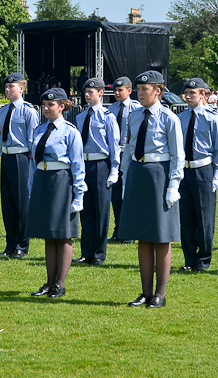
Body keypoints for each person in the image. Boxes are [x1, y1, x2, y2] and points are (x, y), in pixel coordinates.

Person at [119, 70, 184, 308]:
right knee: (142, 236)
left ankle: (160, 293)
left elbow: (178, 154)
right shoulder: (133, 116)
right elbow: (129, 147)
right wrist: (126, 178)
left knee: (161, 235)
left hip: (160, 173)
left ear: (158, 91)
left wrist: (173, 185)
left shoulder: (169, 118)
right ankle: (145, 292)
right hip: (138, 173)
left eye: (145, 89)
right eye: (138, 89)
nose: (140, 93)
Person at [26, 87, 85, 298]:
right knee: (48, 235)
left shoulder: (70, 131)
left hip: (61, 181)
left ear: (62, 106)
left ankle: (60, 283)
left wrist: (79, 195)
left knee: (63, 234)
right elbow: (34, 161)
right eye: (44, 105)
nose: (47, 108)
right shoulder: (40, 130)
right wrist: (32, 187)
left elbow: (78, 164)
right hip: (43, 181)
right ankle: (49, 282)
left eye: (51, 105)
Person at [177, 78, 218, 271]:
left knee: (204, 217)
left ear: (204, 95)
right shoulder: (181, 118)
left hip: (204, 170)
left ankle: (203, 260)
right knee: (186, 217)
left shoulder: (213, 118)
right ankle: (189, 259)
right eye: (186, 93)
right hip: (184, 171)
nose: (188, 97)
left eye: (193, 93)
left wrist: (217, 175)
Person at [72, 78, 120, 265]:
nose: (87, 94)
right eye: (85, 91)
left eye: (91, 91)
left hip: (101, 164)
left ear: (100, 93)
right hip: (85, 164)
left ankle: (99, 253)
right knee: (86, 210)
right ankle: (86, 252)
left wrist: (114, 169)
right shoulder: (80, 116)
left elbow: (114, 145)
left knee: (101, 210)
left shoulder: (108, 116)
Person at [0, 72, 39, 258]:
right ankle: (10, 244)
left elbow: (33, 140)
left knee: (22, 203)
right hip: (6, 157)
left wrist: (32, 165)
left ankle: (22, 245)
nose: (8, 89)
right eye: (6, 86)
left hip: (22, 158)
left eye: (11, 86)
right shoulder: (2, 110)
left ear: (21, 89)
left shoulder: (29, 111)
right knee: (7, 203)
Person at [107, 76, 142, 244]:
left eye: (120, 90)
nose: (117, 93)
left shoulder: (137, 108)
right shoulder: (111, 109)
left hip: (130, 153)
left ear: (129, 91)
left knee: (129, 192)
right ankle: (119, 229)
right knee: (115, 194)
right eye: (115, 90)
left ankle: (130, 231)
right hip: (114, 154)